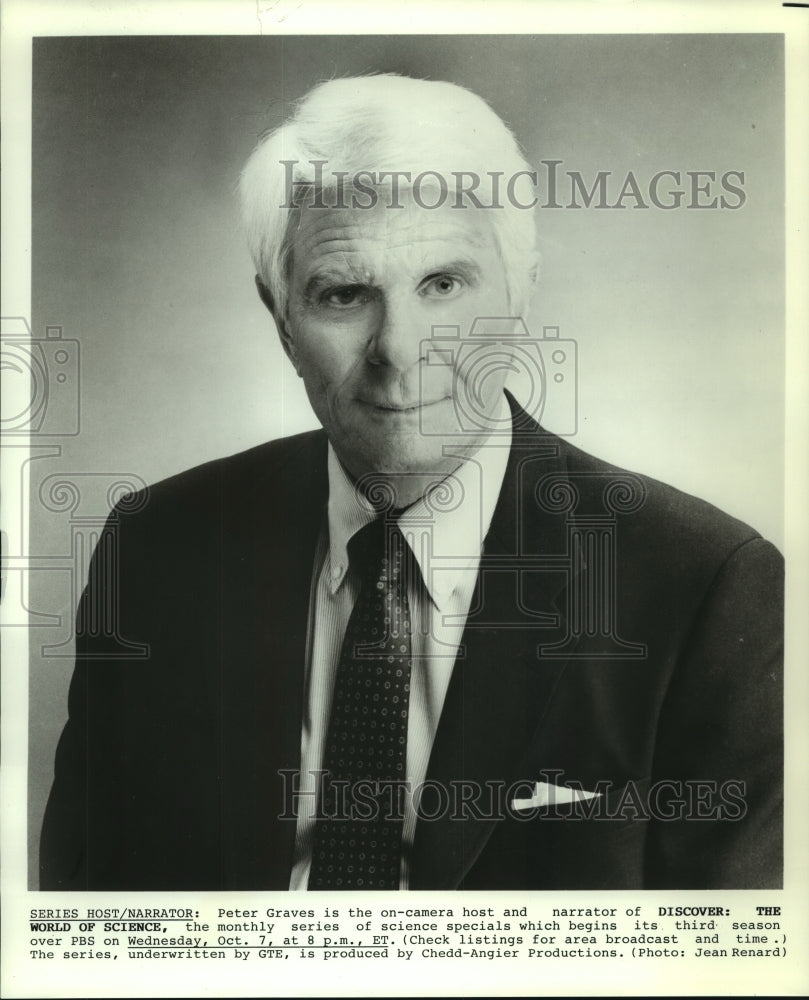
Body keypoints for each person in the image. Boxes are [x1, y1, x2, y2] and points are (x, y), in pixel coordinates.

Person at [40, 74, 782, 891]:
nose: (400, 350)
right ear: (278, 314)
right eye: (343, 294)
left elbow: (725, 958)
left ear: (520, 290)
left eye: (442, 285)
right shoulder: (158, 547)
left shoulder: (704, 586)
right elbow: (86, 917)